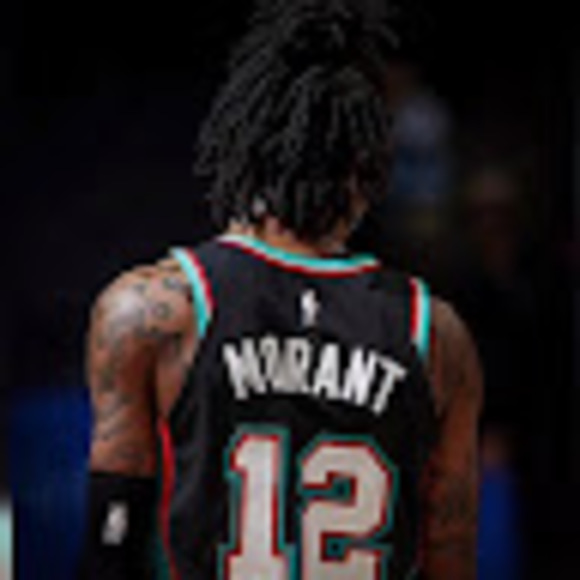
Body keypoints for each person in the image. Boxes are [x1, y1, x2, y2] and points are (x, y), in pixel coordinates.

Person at [78, 1, 483, 578]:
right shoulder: (435, 335)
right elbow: (450, 555)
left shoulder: (149, 310)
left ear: (244, 151)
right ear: (366, 171)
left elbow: (110, 546)